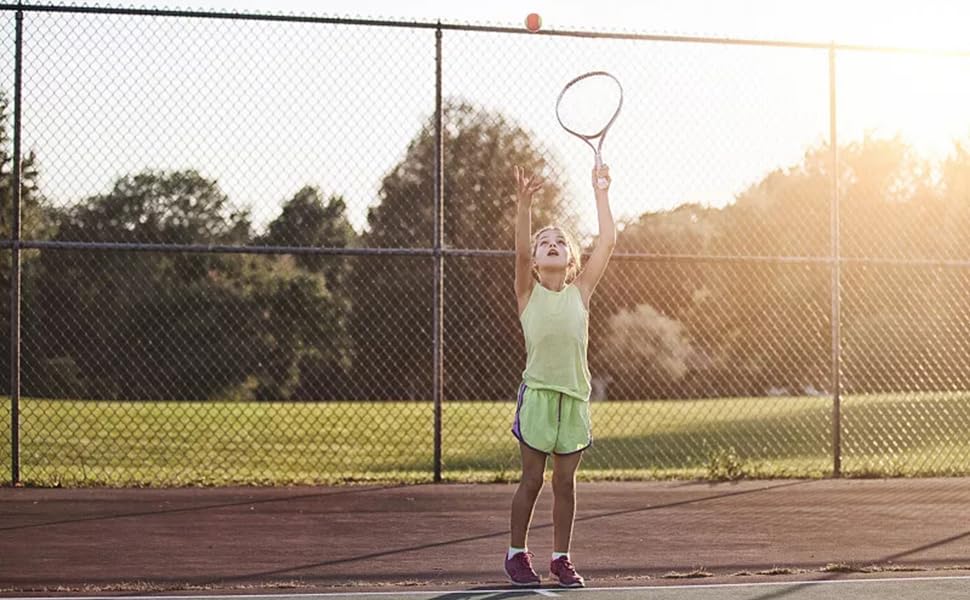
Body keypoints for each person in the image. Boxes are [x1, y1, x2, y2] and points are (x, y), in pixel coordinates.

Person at [504, 163, 616, 588]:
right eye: (543, 243)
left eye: (559, 242)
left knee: (565, 484)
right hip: (537, 397)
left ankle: (561, 559)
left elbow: (607, 241)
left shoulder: (581, 292)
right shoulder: (526, 293)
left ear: (571, 259)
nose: (551, 245)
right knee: (531, 480)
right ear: (534, 262)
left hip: (573, 398)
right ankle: (516, 554)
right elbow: (517, 250)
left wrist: (600, 190)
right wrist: (525, 205)